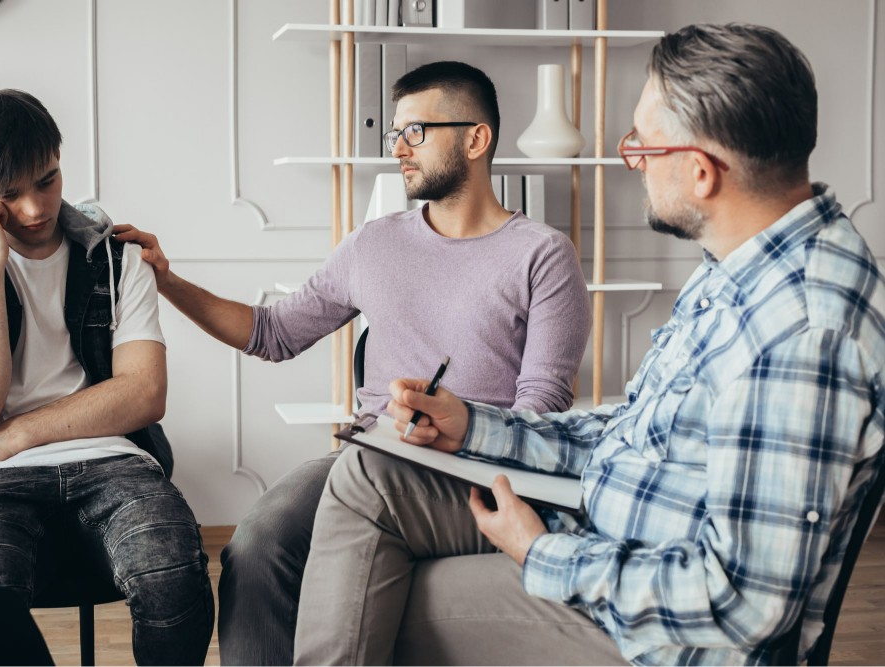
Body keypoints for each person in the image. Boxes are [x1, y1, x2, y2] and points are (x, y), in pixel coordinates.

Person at [294, 23, 885, 666]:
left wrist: (541, 553)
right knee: (366, 479)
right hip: (607, 533)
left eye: (643, 146)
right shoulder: (739, 268)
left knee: (373, 603)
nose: (631, 160)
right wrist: (474, 426)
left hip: (653, 640)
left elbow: (741, 601)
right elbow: (634, 429)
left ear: (700, 172)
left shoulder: (801, 333)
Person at [115, 60, 592, 664]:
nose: (399, 149)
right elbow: (273, 333)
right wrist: (167, 280)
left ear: (476, 138)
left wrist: (460, 424)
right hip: (371, 459)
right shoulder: (375, 243)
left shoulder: (543, 256)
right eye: (395, 134)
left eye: (416, 132)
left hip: (480, 474)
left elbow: (542, 409)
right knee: (256, 542)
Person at [0, 89, 214, 665]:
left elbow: (144, 393)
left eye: (47, 180)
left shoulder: (116, 257)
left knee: (173, 572)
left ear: (61, 157)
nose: (36, 209)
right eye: (9, 194)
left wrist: (12, 437)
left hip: (110, 459)